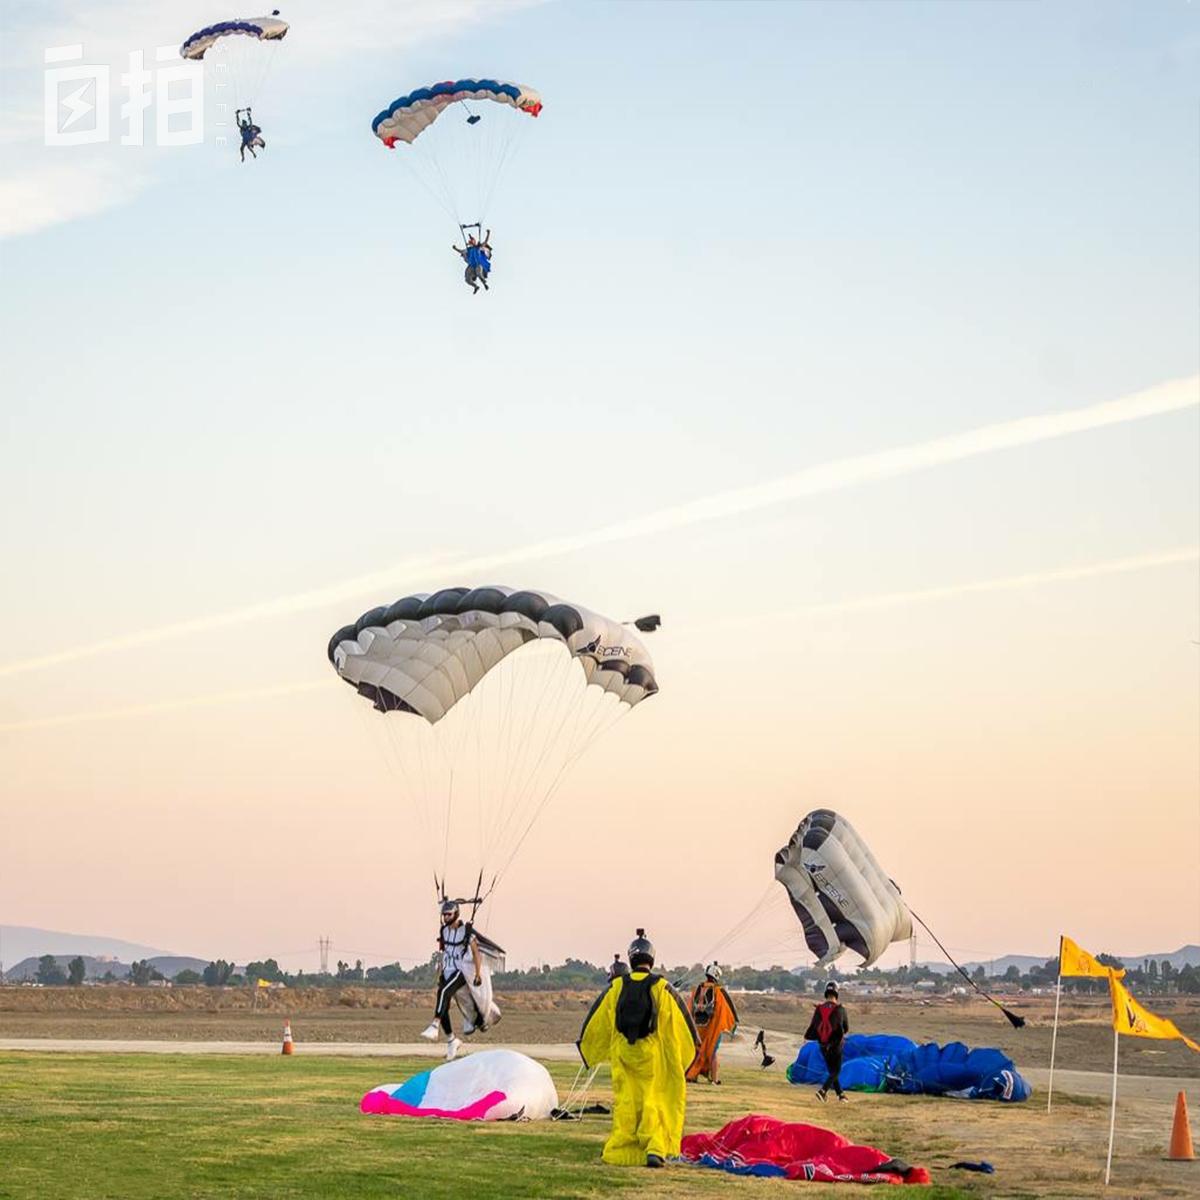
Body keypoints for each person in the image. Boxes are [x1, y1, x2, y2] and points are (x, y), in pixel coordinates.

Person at [578, 929, 699, 1169]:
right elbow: (680, 1025)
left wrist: (590, 1051)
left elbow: (598, 1021)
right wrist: (685, 1056)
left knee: (627, 1102)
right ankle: (654, 1148)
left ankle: (623, 1149)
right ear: (651, 959)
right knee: (654, 1098)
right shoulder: (662, 987)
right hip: (651, 1054)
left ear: (631, 959)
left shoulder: (616, 987)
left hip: (624, 1054)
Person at [420, 899, 483, 1060]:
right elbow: (444, 952)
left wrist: (477, 974)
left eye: (449, 914)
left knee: (445, 992)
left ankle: (434, 1024)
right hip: (447, 970)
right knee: (443, 1004)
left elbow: (476, 953)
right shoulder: (444, 931)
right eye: (444, 915)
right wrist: (440, 970)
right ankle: (451, 1040)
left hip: (461, 970)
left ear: (456, 914)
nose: (446, 917)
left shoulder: (467, 932)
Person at [686, 962, 738, 1084]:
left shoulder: (698, 989)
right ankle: (715, 1080)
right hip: (712, 1029)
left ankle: (693, 1076)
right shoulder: (718, 992)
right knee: (712, 1053)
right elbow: (724, 1011)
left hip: (698, 1029)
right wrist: (731, 1024)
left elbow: (689, 1008)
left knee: (697, 1051)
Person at [804, 980, 849, 1102]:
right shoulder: (840, 1009)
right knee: (836, 1071)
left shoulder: (819, 1009)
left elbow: (813, 1026)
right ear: (836, 993)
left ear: (826, 993)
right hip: (836, 1046)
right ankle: (823, 1091)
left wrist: (807, 1037)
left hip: (823, 1046)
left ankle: (841, 1095)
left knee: (832, 1072)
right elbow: (846, 1028)